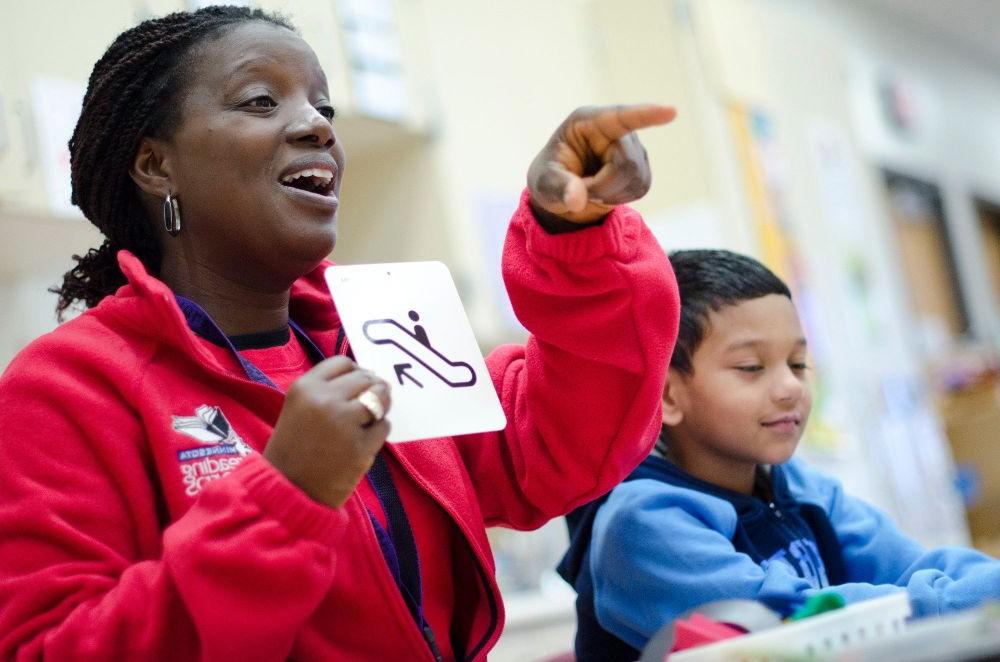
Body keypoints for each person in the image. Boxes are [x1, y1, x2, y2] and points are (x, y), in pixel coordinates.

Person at [0, 6, 680, 661]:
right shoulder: (69, 387)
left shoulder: (378, 332)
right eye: (261, 101)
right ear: (155, 165)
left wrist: (574, 233)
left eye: (323, 109)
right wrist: (287, 496)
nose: (316, 127)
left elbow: (566, 440)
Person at [558, 249, 1000, 661]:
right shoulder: (643, 526)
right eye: (751, 367)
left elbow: (910, 566)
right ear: (667, 396)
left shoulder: (802, 485)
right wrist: (956, 600)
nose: (790, 387)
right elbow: (794, 625)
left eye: (797, 363)